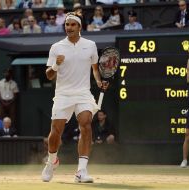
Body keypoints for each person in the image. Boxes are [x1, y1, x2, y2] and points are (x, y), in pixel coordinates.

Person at [41, 12, 108, 183]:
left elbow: (94, 68)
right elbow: (48, 75)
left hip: (83, 93)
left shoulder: (91, 45)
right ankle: (51, 161)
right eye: (67, 24)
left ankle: (81, 171)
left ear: (79, 27)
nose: (68, 27)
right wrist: (56, 65)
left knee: (86, 124)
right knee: (55, 132)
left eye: (72, 25)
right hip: (63, 94)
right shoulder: (56, 47)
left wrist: (99, 81)